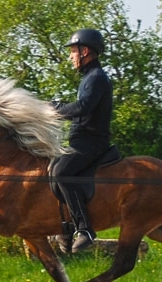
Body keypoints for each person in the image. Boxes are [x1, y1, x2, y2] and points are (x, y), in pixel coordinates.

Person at [51, 29, 113, 253]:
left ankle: (85, 229)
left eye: (73, 51)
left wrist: (56, 109)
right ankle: (64, 228)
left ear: (85, 51)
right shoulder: (90, 78)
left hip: (91, 142)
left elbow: (83, 107)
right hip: (82, 140)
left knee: (62, 173)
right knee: (52, 167)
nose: (70, 56)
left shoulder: (96, 78)